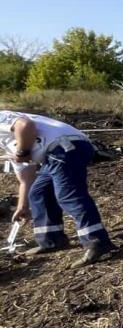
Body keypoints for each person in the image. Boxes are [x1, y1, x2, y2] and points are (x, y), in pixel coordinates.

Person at [1, 110, 115, 267]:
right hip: (55, 153)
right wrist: (22, 206)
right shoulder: (6, 144)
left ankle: (97, 242)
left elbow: (25, 125)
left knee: (68, 195)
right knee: (38, 192)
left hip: (64, 145)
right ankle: (51, 239)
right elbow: (26, 178)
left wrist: (23, 151)